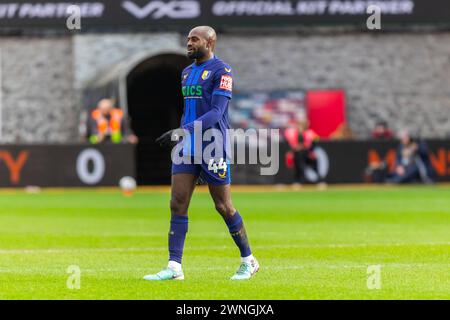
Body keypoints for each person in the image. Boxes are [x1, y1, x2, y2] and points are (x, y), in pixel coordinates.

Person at [143, 26, 259, 281]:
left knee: (223, 206)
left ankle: (248, 260)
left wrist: (182, 131)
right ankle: (174, 267)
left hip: (212, 145)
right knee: (177, 203)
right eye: (187, 39)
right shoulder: (186, 73)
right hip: (187, 147)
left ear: (210, 42)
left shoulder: (222, 71)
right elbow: (191, 109)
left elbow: (216, 113)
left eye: (194, 39)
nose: (189, 43)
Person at [285, 120, 326, 188]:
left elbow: (316, 139)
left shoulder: (310, 133)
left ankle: (320, 181)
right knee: (298, 166)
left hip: (307, 153)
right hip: (297, 154)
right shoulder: (293, 133)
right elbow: (290, 143)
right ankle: (298, 181)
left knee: (314, 166)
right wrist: (294, 149)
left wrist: (308, 148)